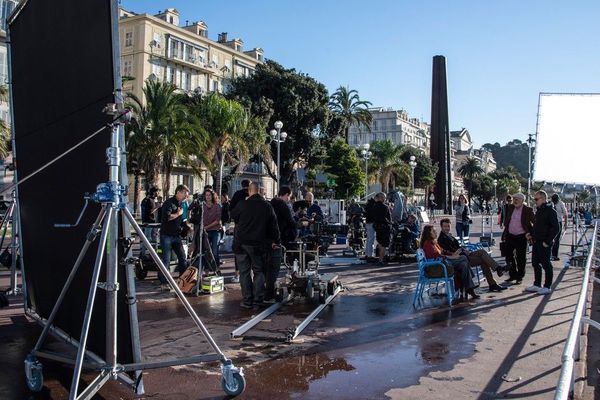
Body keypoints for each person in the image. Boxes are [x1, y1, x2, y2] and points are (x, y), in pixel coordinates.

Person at [230, 183, 280, 309]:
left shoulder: (242, 204)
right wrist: (276, 241)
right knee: (259, 271)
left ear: (249, 191)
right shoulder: (267, 206)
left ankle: (247, 300)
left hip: (241, 243)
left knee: (244, 272)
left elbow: (233, 216)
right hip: (258, 244)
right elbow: (274, 227)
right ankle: (258, 299)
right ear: (260, 192)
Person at [437, 218, 507, 292]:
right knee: (484, 261)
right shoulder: (441, 238)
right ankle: (495, 278)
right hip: (460, 259)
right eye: (445, 226)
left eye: (448, 226)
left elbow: (457, 247)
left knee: (482, 251)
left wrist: (464, 249)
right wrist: (459, 251)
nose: (447, 228)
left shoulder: (449, 236)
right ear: (441, 227)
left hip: (465, 253)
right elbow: (447, 251)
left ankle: (497, 271)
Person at [420, 224, 479, 301]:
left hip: (442, 263)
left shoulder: (433, 242)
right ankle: (469, 286)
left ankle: (469, 288)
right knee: (464, 258)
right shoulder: (428, 244)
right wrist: (451, 257)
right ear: (429, 233)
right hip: (439, 266)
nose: (435, 232)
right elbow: (437, 256)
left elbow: (442, 251)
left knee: (464, 264)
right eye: (433, 231)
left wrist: (453, 254)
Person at [525, 191, 559, 295]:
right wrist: (530, 234)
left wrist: (547, 241)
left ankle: (547, 286)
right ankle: (537, 284)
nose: (535, 201)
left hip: (544, 242)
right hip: (536, 241)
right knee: (535, 263)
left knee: (546, 264)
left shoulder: (551, 211)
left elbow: (556, 228)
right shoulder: (539, 211)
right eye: (534, 199)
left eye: (537, 199)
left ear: (543, 199)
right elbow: (537, 226)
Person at [268, 186, 297, 302]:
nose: (288, 199)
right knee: (275, 266)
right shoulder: (283, 205)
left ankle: (265, 290)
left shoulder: (270, 203)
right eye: (288, 197)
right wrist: (297, 226)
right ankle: (270, 293)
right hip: (280, 237)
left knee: (267, 266)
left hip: (268, 238)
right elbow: (290, 221)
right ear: (285, 194)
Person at [159, 185, 190, 291]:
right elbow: (167, 217)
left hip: (176, 235)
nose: (186, 196)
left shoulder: (182, 204)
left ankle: (182, 280)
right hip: (166, 235)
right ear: (179, 192)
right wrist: (177, 213)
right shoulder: (169, 203)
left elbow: (182, 219)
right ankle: (164, 282)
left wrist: (187, 227)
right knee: (166, 260)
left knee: (183, 258)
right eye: (185, 194)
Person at [501, 192, 534, 285]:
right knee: (508, 256)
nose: (515, 201)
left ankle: (520, 276)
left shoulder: (528, 210)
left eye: (517, 199)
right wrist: (504, 233)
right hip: (510, 235)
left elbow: (535, 222)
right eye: (514, 199)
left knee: (521, 257)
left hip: (521, 236)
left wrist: (531, 233)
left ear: (522, 200)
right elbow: (507, 221)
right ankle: (512, 275)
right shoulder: (511, 208)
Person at [229, 179, 251, 283]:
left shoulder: (237, 194)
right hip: (252, 227)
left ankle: (237, 274)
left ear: (242, 185)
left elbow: (231, 209)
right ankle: (251, 274)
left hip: (240, 226)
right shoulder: (253, 194)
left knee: (238, 251)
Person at [203, 189, 222, 265]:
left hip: (215, 231)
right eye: (206, 195)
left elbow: (218, 220)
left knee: (215, 252)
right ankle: (207, 270)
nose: (208, 197)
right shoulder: (202, 205)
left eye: (209, 195)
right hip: (205, 231)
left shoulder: (217, 205)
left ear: (212, 196)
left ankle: (216, 269)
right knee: (206, 251)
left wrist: (207, 227)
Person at [372, 192, 392, 265]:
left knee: (380, 243)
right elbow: (388, 218)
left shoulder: (374, 206)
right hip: (384, 227)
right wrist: (389, 224)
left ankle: (380, 259)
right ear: (381, 198)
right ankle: (381, 260)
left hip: (377, 227)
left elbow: (373, 217)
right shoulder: (385, 207)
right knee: (384, 244)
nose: (385, 199)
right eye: (384, 197)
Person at [140, 187, 159, 257]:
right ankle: (143, 253)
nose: (158, 193)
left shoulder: (152, 200)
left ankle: (154, 253)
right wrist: (157, 206)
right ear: (154, 192)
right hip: (149, 221)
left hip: (152, 221)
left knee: (154, 237)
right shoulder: (150, 200)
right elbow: (150, 211)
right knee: (147, 237)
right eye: (157, 192)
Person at [551, 193, 568, 261]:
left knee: (557, 239)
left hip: (558, 222)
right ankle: (549, 254)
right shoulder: (550, 203)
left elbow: (565, 214)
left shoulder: (561, 203)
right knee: (550, 238)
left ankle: (554, 255)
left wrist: (566, 224)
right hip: (551, 223)